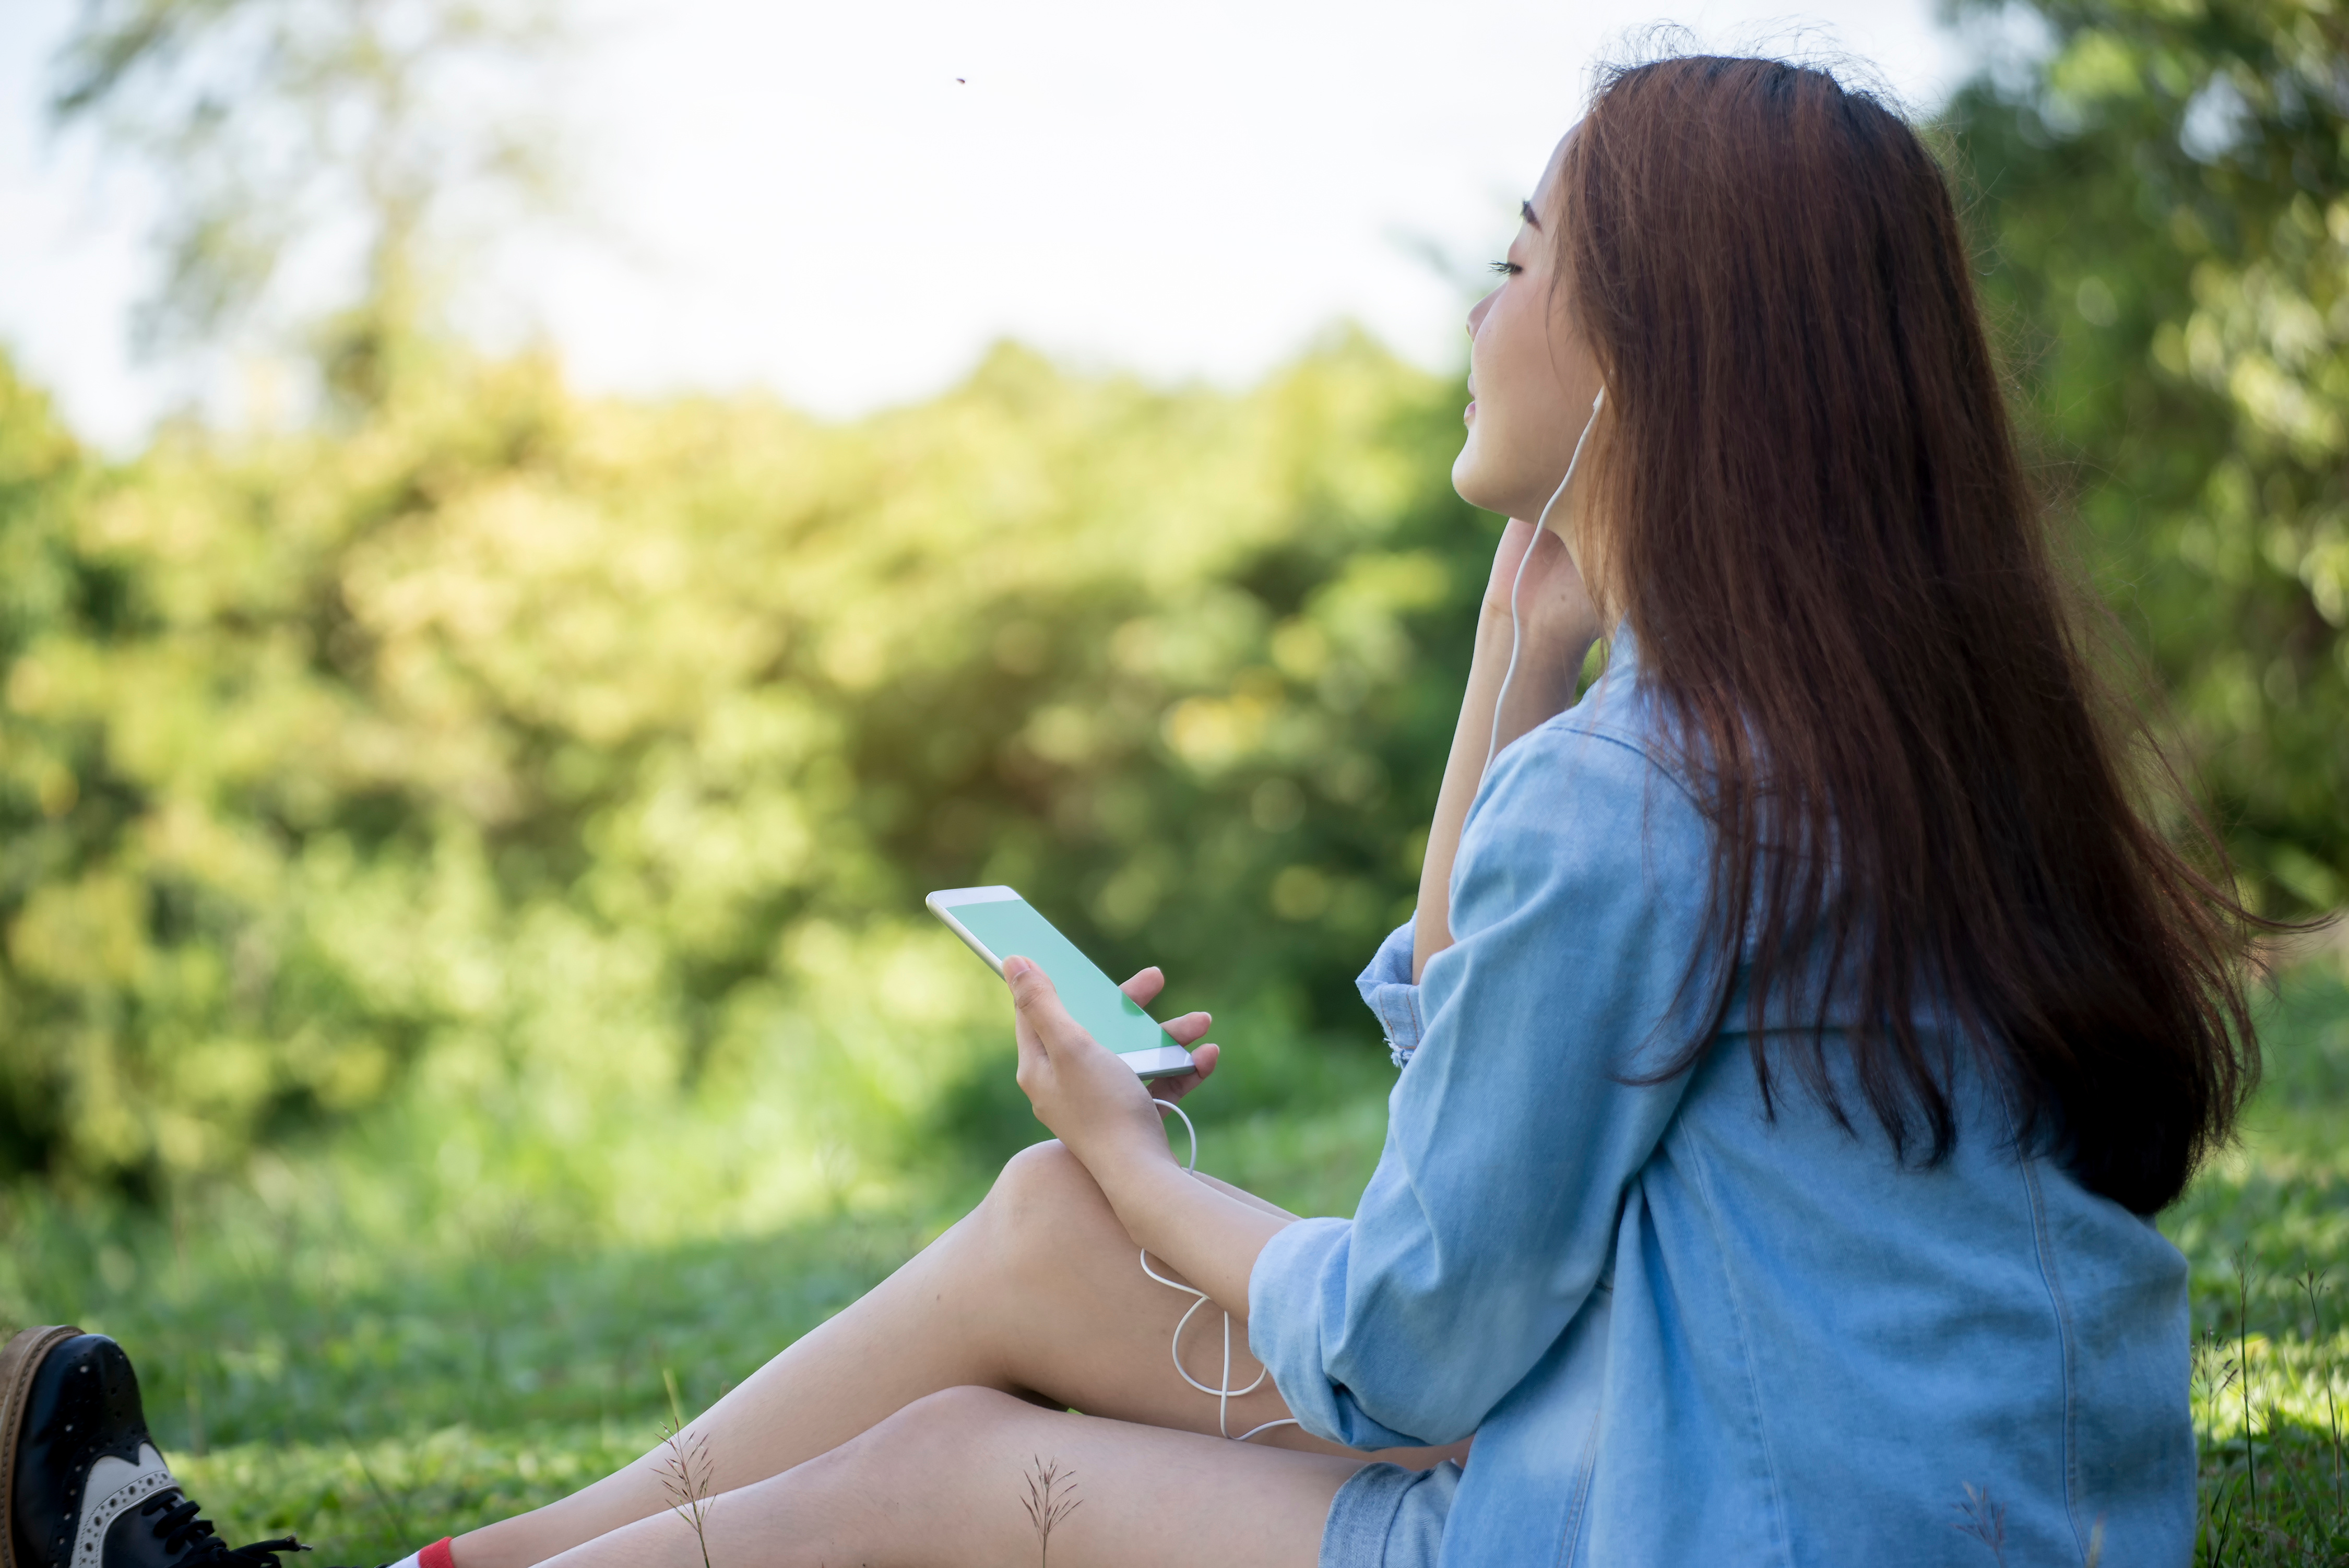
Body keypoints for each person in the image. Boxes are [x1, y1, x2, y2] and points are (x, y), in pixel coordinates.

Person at [3, 53, 2259, 1568]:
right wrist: (1520, 650)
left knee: (962, 1469)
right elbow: (1500, 1117)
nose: (1479, 310)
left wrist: (1140, 1156)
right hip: (1873, 1490)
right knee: (1051, 1233)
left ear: (1654, 353)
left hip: (1693, 1517)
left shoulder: (1650, 803)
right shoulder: (1884, 752)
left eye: (1518, 256)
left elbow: (1413, 1337)